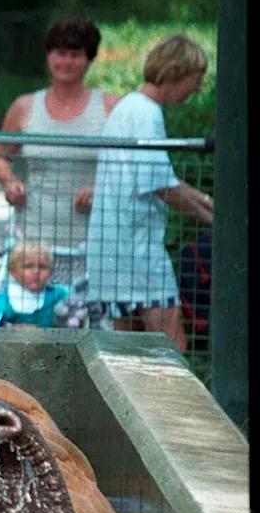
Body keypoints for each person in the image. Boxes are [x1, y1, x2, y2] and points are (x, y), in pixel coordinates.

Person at [85, 34, 213, 351]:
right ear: (177, 72)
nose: (196, 88)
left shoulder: (130, 107)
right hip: (138, 255)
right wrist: (211, 220)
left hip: (113, 254)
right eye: (196, 80)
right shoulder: (147, 114)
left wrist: (207, 202)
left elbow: (161, 178)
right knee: (172, 348)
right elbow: (161, 187)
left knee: (124, 352)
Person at [0, 16, 119, 288]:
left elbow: (130, 167)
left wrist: (101, 188)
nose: (67, 62)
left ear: (89, 59)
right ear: (48, 56)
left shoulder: (109, 107)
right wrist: (9, 182)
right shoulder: (24, 106)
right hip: (33, 242)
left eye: (76, 54)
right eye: (60, 53)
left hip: (89, 240)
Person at [0, 242, 75, 329]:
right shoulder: (3, 301)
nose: (36, 271)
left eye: (42, 267)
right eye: (28, 266)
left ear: (51, 272)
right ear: (12, 271)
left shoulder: (58, 296)